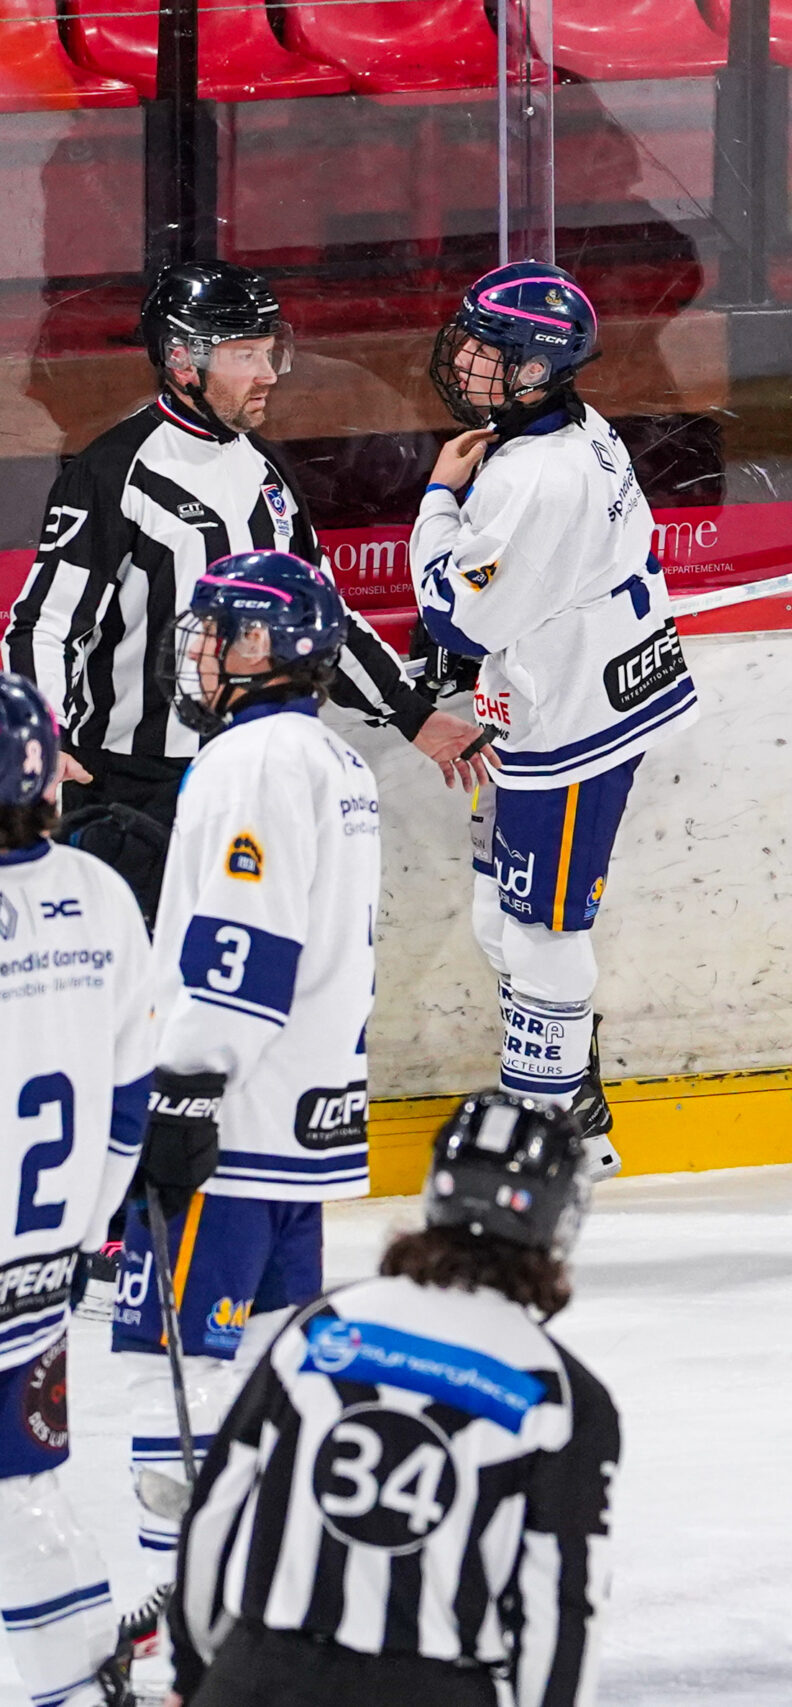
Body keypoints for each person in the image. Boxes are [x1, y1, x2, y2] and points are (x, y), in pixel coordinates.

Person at [4, 261, 489, 925]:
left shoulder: (264, 473)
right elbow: (46, 625)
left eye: (270, 352)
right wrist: (46, 740)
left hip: (244, 778)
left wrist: (412, 715)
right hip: (129, 790)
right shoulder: (114, 474)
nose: (269, 373)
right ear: (181, 360)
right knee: (137, 999)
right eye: (245, 355)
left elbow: (321, 617)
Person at [110, 551, 380, 1612]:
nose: (201, 649)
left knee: (165, 1383)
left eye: (217, 630)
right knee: (273, 1380)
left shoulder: (250, 763)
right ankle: (273, 1610)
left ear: (263, 647)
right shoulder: (332, 760)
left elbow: (241, 948)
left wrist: (181, 1091)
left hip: (232, 1124)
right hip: (301, 1134)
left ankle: (187, 1625)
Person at [168, 1091, 617, 1707]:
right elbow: (559, 1599)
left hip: (260, 1676)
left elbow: (214, 1509)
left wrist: (197, 1676)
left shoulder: (321, 1327)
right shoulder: (561, 1396)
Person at [409, 262, 701, 1177]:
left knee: (541, 928)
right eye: (468, 340)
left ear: (540, 369)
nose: (467, 361)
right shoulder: (573, 430)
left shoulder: (537, 476)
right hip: (556, 705)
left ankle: (555, 1130)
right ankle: (563, 1097)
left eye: (491, 352)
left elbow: (455, 614)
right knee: (505, 916)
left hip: (578, 722)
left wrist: (437, 502)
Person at [0, 673, 156, 1707]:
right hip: (42, 1270)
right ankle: (83, 1666)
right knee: (26, 1490)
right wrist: (84, 1232)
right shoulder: (101, 894)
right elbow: (131, 1090)